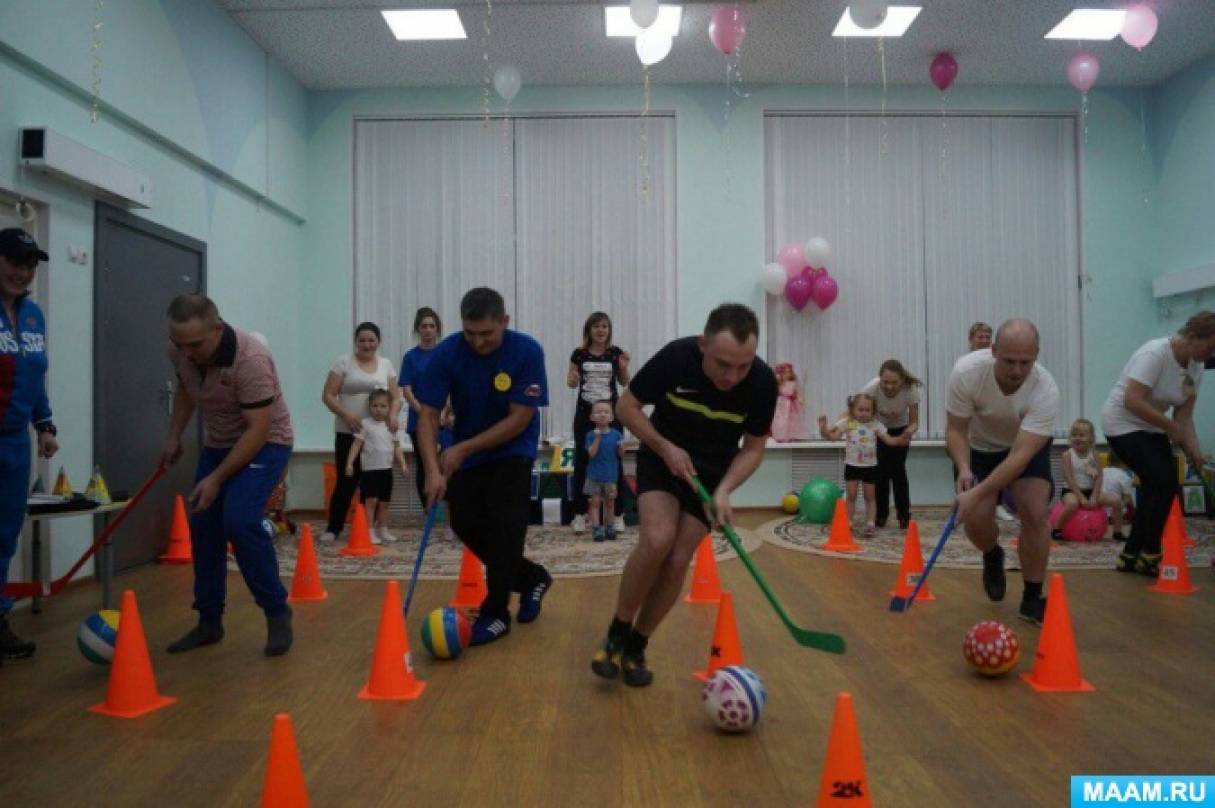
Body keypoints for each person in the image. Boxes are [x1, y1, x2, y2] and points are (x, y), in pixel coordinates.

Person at [592, 304, 777, 687]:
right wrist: (664, 448)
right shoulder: (677, 357)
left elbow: (754, 447)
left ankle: (637, 646)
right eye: (724, 364)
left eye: (742, 366)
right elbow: (626, 408)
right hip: (663, 454)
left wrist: (725, 490)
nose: (732, 376)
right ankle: (617, 632)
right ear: (702, 343)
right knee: (657, 540)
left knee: (677, 560)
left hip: (710, 474)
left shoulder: (761, 382)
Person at [415, 287, 553, 646]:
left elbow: (520, 417)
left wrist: (462, 448)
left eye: (487, 333)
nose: (478, 342)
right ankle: (532, 578)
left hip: (513, 448)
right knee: (463, 521)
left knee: (507, 524)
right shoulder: (447, 352)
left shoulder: (527, 351)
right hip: (467, 450)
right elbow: (428, 414)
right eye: (470, 333)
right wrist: (432, 469)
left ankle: (495, 613)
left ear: (504, 322)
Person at [161, 294, 295, 656]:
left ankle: (277, 611)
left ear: (217, 329)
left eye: (195, 344)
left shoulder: (251, 359)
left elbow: (257, 430)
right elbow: (188, 393)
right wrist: (174, 437)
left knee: (239, 520)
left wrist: (217, 478)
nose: (187, 352)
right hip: (219, 443)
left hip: (267, 442)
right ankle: (208, 622)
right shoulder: (182, 352)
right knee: (203, 521)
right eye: (179, 344)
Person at [946, 319, 1059, 626]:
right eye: (1009, 361)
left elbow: (1020, 457)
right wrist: (964, 469)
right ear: (993, 351)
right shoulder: (966, 373)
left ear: (1037, 355)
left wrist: (977, 492)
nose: (1017, 371)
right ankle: (992, 553)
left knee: (1035, 512)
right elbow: (956, 430)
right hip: (978, 449)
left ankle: (1032, 597)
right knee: (977, 520)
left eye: (1026, 362)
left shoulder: (1045, 388)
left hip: (1022, 449)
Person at [1101, 311, 1214, 575]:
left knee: (1158, 486)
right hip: (1121, 423)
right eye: (1210, 348)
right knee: (1164, 484)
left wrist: (1195, 451)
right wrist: (1171, 427)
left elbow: (1184, 415)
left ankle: (1130, 555)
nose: (1211, 356)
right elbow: (1133, 400)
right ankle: (1151, 552)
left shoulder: (1196, 367)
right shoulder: (1155, 353)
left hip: (1153, 426)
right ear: (1194, 336)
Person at [0, 228, 54, 663]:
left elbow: (35, 375)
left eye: (30, 265)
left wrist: (45, 423)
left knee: (5, 536)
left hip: (15, 442)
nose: (23, 272)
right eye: (15, 262)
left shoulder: (34, 316)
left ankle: (0, 621)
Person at [320, 322, 399, 544]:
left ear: (378, 342)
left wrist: (392, 415)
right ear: (356, 342)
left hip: (378, 436)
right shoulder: (343, 362)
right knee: (346, 480)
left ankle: (371, 528)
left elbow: (396, 396)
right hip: (349, 432)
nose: (367, 344)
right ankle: (334, 528)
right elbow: (327, 395)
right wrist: (347, 415)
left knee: (374, 483)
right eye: (362, 340)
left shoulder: (386, 364)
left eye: (371, 340)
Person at [567, 312, 631, 535]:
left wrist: (623, 367)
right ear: (589, 330)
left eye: (604, 326)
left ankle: (618, 515)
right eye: (596, 327)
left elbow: (624, 382)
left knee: (614, 460)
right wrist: (573, 379)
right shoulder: (579, 354)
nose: (601, 330)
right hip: (586, 414)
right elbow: (570, 381)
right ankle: (579, 514)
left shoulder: (615, 353)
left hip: (611, 414)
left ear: (609, 330)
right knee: (583, 461)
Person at [817, 393, 898, 537]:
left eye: (867, 410)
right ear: (853, 409)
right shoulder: (847, 422)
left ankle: (870, 524)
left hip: (870, 467)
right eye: (860, 410)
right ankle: (848, 522)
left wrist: (903, 438)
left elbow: (889, 440)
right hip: (852, 465)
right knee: (851, 496)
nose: (864, 413)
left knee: (870, 497)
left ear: (873, 411)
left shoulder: (875, 424)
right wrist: (823, 428)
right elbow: (832, 437)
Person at [861, 359, 920, 529]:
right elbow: (860, 412)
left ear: (902, 380)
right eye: (885, 382)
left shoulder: (910, 389)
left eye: (894, 382)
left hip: (901, 430)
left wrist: (908, 433)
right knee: (880, 473)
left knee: (898, 471)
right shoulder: (871, 388)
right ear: (880, 379)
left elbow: (915, 422)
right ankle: (881, 514)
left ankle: (903, 515)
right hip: (878, 430)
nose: (890, 387)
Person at [345, 389, 408, 543]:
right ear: (369, 406)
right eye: (375, 406)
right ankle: (369, 531)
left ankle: (383, 530)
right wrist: (349, 463)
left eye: (383, 406)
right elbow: (356, 445)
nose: (379, 409)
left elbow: (397, 446)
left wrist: (403, 463)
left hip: (386, 470)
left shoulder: (391, 426)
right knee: (371, 501)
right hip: (370, 471)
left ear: (389, 408)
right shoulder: (365, 424)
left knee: (384, 503)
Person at [400, 307, 441, 508]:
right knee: (425, 466)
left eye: (431, 326)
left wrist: (444, 414)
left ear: (437, 330)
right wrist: (424, 412)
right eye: (424, 326)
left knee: (445, 464)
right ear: (418, 329)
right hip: (419, 420)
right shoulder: (410, 357)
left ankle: (448, 515)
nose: (427, 330)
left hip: (444, 420)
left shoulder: (445, 354)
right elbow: (407, 390)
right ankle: (428, 511)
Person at [1053, 418, 1117, 538]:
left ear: (1091, 438)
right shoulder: (1067, 455)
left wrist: (1094, 495)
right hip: (1071, 491)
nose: (1077, 438)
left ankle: (1118, 532)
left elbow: (1099, 477)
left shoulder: (1094, 455)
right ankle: (1056, 529)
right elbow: (1069, 479)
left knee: (1116, 501)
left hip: (1090, 491)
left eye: (1082, 435)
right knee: (1072, 504)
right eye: (1074, 435)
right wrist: (1081, 497)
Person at [584, 400, 625, 542]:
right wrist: (597, 438)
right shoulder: (590, 435)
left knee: (610, 502)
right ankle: (596, 528)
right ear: (592, 417)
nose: (602, 414)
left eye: (606, 412)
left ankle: (610, 526)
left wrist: (621, 448)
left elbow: (621, 456)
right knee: (595, 502)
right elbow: (591, 454)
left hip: (610, 476)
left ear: (612, 417)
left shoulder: (617, 435)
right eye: (598, 412)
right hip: (594, 476)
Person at [769, 363, 809, 442]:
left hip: (792, 407)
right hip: (781, 407)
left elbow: (797, 393)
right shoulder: (779, 384)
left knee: (792, 422)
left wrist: (800, 400)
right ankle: (781, 436)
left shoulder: (793, 383)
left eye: (789, 372)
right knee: (781, 422)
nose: (788, 374)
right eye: (785, 372)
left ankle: (793, 436)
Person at [1100, 457, 1135, 540]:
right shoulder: (1125, 477)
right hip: (1115, 510)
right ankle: (1116, 522)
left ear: (1108, 461)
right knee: (1131, 507)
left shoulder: (1101, 471)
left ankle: (1109, 519)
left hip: (1100, 509)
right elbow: (1127, 500)